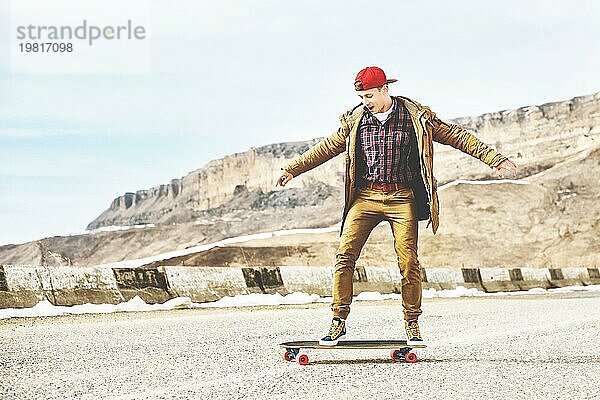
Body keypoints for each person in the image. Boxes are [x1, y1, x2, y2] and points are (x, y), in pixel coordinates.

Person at [276, 66, 517, 346]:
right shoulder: (356, 121)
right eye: (361, 96)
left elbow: (458, 136)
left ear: (384, 89)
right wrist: (292, 169)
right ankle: (337, 322)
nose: (366, 101)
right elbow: (326, 147)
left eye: (369, 95)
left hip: (402, 197)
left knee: (408, 262)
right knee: (344, 257)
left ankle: (412, 323)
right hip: (366, 197)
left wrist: (495, 160)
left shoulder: (416, 117)